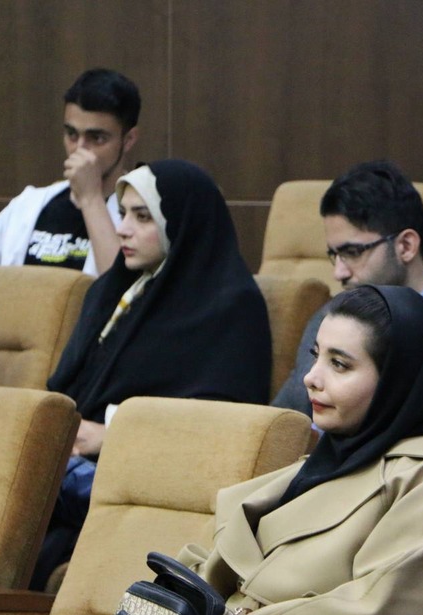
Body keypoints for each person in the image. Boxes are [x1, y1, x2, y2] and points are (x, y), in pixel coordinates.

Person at [177, 285, 423, 615]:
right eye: (316, 356)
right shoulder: (337, 455)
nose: (311, 377)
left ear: (397, 379)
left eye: (339, 364)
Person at [32, 159, 272, 589]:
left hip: (147, 488)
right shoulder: (113, 288)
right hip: (72, 469)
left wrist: (113, 431)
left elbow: (224, 424)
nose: (122, 229)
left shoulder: (231, 305)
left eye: (142, 217)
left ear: (181, 222)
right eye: (123, 213)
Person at [271, 160, 423, 433]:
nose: (339, 272)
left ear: (406, 246)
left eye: (352, 252)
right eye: (334, 255)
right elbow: (279, 422)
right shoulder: (332, 315)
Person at [0, 68, 141, 275]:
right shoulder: (28, 205)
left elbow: (121, 287)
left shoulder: (143, 212)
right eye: (71, 134)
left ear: (128, 140)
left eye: (97, 138)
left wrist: (90, 198)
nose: (79, 149)